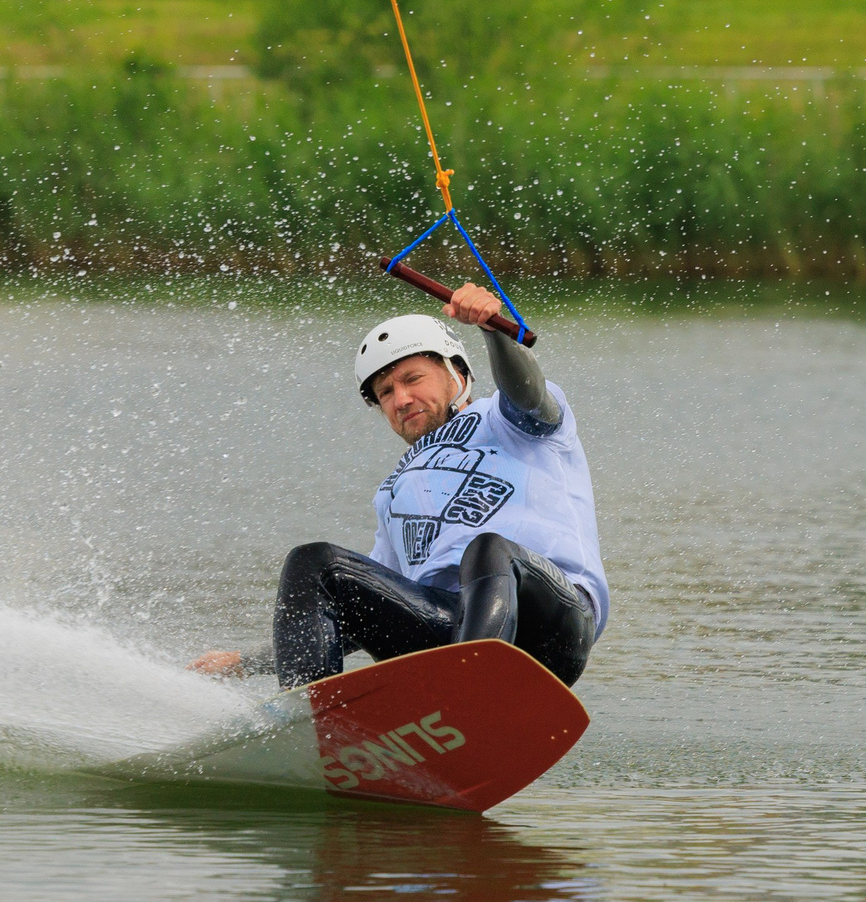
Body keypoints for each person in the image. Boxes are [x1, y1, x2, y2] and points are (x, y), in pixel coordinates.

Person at [190, 282, 607, 689]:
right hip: (450, 630)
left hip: (552, 623)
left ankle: (472, 690)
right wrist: (247, 662)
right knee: (317, 564)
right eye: (385, 391)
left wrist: (492, 332)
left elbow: (529, 392)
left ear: (456, 373)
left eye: (413, 379)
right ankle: (309, 718)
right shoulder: (393, 492)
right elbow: (359, 612)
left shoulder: (509, 420)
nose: (401, 399)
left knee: (488, 548)